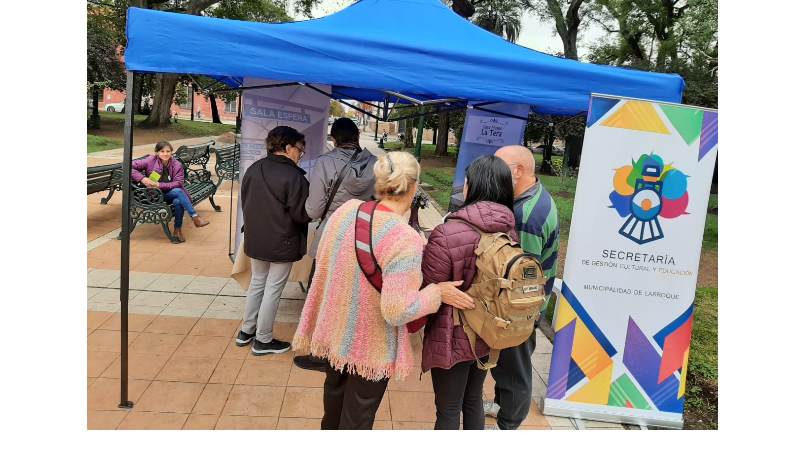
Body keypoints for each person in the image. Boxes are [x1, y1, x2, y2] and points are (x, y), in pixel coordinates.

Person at [292, 151, 476, 430]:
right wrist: (437, 293)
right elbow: (397, 310)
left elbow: (326, 265)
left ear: (378, 182)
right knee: (357, 419)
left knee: (333, 406)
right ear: (414, 187)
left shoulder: (346, 211)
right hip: (370, 346)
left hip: (332, 331)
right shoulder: (405, 239)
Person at [419, 155, 517, 430]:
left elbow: (430, 290)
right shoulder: (509, 231)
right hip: (490, 330)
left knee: (448, 410)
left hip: (452, 333)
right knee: (473, 399)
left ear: (471, 186)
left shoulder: (446, 233)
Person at [483, 145, 560, 430]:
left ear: (519, 171)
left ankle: (508, 423)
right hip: (529, 305)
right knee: (509, 367)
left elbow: (519, 275)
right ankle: (503, 408)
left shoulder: (526, 215)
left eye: (501, 167)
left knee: (514, 370)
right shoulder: (531, 197)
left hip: (520, 311)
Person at [292, 117, 377, 372]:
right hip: (366, 237)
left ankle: (321, 354)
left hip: (332, 235)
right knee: (353, 297)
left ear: (334, 140)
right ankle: (347, 350)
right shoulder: (377, 164)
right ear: (358, 138)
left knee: (322, 294)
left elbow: (315, 208)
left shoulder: (325, 162)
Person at [235, 126, 313, 356]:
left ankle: (246, 331)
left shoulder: (253, 168)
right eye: (300, 148)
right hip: (282, 241)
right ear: (288, 148)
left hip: (255, 237)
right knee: (272, 289)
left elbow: (246, 202)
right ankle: (263, 340)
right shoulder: (294, 176)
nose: (301, 153)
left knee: (258, 282)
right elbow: (301, 214)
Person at [131, 141, 210, 243]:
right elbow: (127, 166)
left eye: (168, 151)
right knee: (178, 193)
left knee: (178, 201)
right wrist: (142, 178)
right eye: (162, 151)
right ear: (157, 153)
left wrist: (159, 185)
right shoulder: (150, 160)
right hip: (155, 195)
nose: (165, 154)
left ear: (171, 152)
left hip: (169, 194)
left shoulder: (177, 165)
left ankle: (178, 229)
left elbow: (178, 183)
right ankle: (194, 218)